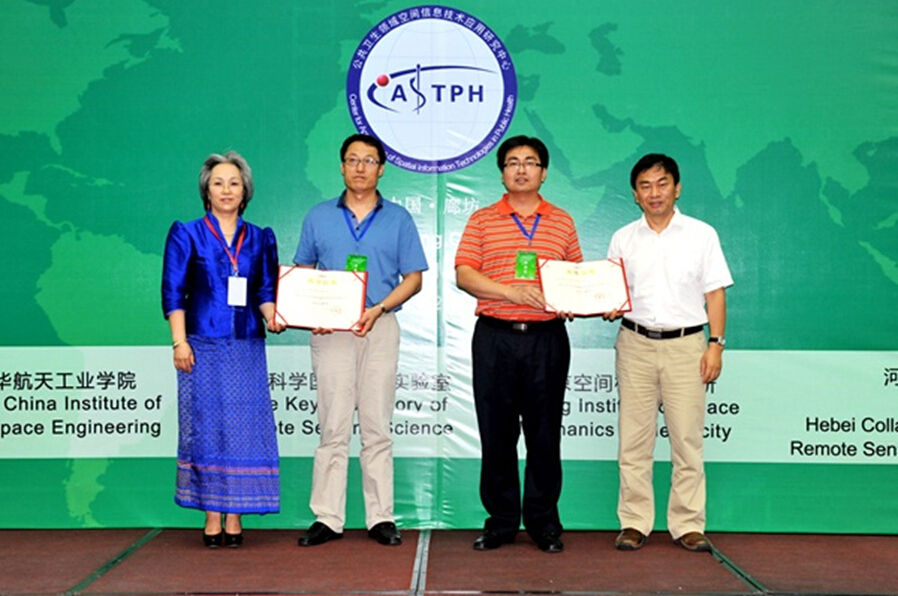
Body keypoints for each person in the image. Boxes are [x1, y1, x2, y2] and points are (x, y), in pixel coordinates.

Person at [293, 133, 427, 547]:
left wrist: (380, 308)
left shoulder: (399, 218)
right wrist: (311, 312)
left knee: (376, 426)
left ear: (381, 169)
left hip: (379, 325)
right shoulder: (318, 216)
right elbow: (303, 272)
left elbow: (414, 279)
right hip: (332, 331)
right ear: (341, 167)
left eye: (369, 160)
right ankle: (327, 517)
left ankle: (380, 517)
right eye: (352, 159)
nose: (360, 167)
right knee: (332, 426)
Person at [455, 135, 582, 554]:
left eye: (530, 162)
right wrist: (510, 292)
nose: (521, 169)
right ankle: (502, 522)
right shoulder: (482, 220)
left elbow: (577, 277)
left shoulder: (562, 221)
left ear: (544, 173)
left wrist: (576, 299)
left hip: (547, 339)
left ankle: (544, 523)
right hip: (496, 337)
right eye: (512, 162)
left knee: (545, 435)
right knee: (497, 434)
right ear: (502, 173)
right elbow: (464, 274)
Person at [603, 153, 733, 553]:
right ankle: (634, 522)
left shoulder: (701, 235)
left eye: (662, 184)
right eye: (645, 186)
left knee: (687, 440)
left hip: (687, 346)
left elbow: (715, 294)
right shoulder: (623, 238)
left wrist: (716, 344)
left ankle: (688, 524)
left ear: (677, 189)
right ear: (635, 194)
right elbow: (612, 290)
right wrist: (606, 302)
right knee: (633, 442)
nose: (654, 192)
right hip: (635, 344)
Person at [162, 151, 285, 548]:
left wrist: (274, 316)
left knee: (244, 429)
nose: (226, 190)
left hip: (246, 346)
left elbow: (265, 291)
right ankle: (212, 514)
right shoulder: (187, 234)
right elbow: (173, 292)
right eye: (218, 183)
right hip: (201, 345)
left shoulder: (261, 237)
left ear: (245, 191)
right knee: (208, 428)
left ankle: (235, 514)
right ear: (207, 191)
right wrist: (179, 341)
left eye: (234, 183)